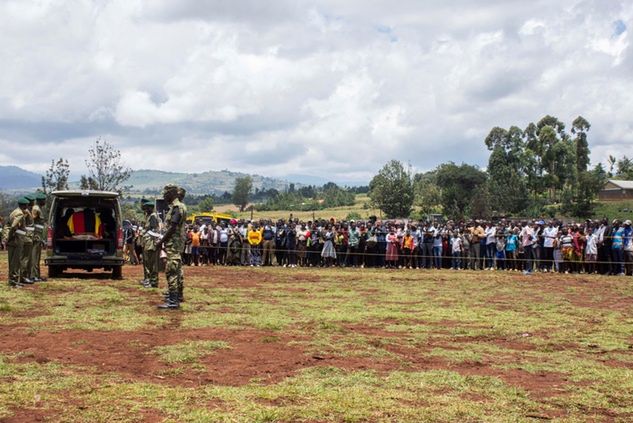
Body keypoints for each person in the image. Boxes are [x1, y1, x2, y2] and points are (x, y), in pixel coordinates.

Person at [156, 185, 186, 310]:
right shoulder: (179, 207)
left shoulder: (176, 207)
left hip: (173, 245)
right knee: (177, 270)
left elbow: (172, 228)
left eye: (166, 194)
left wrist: (161, 241)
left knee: (171, 271)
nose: (164, 196)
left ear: (172, 193)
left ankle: (173, 301)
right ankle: (176, 296)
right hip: (176, 244)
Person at [7, 197, 30, 287]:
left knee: (12, 260)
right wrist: (10, 236)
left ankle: (13, 280)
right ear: (24, 205)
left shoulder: (14, 211)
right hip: (17, 239)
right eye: (27, 205)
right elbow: (13, 226)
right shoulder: (20, 214)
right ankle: (13, 281)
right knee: (16, 261)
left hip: (14, 239)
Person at [140, 199, 161, 288]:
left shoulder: (153, 216)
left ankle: (152, 281)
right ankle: (147, 279)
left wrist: (144, 231)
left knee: (152, 262)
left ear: (150, 208)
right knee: (147, 261)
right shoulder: (148, 216)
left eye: (146, 208)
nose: (145, 210)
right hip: (147, 241)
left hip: (151, 242)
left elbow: (153, 230)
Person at [30, 192, 48, 282]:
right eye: (44, 200)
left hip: (39, 234)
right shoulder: (36, 209)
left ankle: (37, 275)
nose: (45, 201)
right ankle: (33, 275)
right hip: (36, 234)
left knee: (37, 256)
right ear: (40, 200)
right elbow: (31, 221)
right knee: (34, 256)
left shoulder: (39, 208)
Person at [20, 194, 36, 284]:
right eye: (32, 201)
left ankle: (26, 275)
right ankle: (23, 276)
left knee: (28, 258)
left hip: (29, 236)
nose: (34, 203)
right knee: (25, 258)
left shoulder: (28, 211)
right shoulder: (25, 212)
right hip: (26, 237)